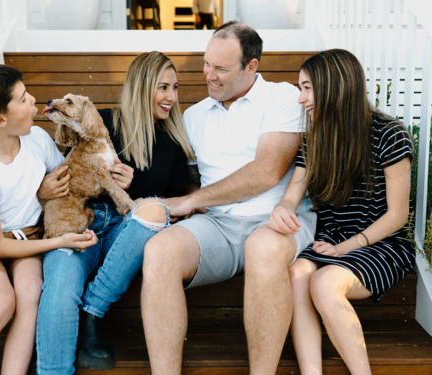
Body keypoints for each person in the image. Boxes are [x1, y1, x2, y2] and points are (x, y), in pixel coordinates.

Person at [141, 22, 316, 374]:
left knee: (263, 249)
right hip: (217, 225)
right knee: (159, 251)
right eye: (207, 64)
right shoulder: (193, 116)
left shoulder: (282, 98)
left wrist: (193, 200)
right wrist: (190, 197)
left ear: (251, 66)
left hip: (277, 220)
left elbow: (268, 171)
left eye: (221, 68)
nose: (210, 76)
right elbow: (187, 180)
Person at [36, 51, 196, 374]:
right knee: (61, 283)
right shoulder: (102, 121)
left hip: (126, 231)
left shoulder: (173, 143)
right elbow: (73, 174)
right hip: (79, 218)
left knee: (153, 210)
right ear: (141, 86)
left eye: (175, 88)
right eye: (162, 87)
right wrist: (43, 190)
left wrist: (134, 185)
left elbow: (173, 203)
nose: (171, 97)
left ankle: (91, 312)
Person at [268, 49, 415, 375]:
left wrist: (345, 247)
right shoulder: (316, 138)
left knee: (323, 283)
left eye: (307, 88)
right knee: (297, 275)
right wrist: (282, 208)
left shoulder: (389, 134)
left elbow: (397, 216)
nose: (300, 98)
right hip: (330, 240)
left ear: (332, 86)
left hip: (380, 243)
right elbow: (293, 193)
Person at [0, 65, 98, 375]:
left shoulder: (37, 140)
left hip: (29, 234)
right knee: (1, 301)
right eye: (23, 99)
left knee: (30, 293)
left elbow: (63, 181)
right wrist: (58, 241)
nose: (34, 101)